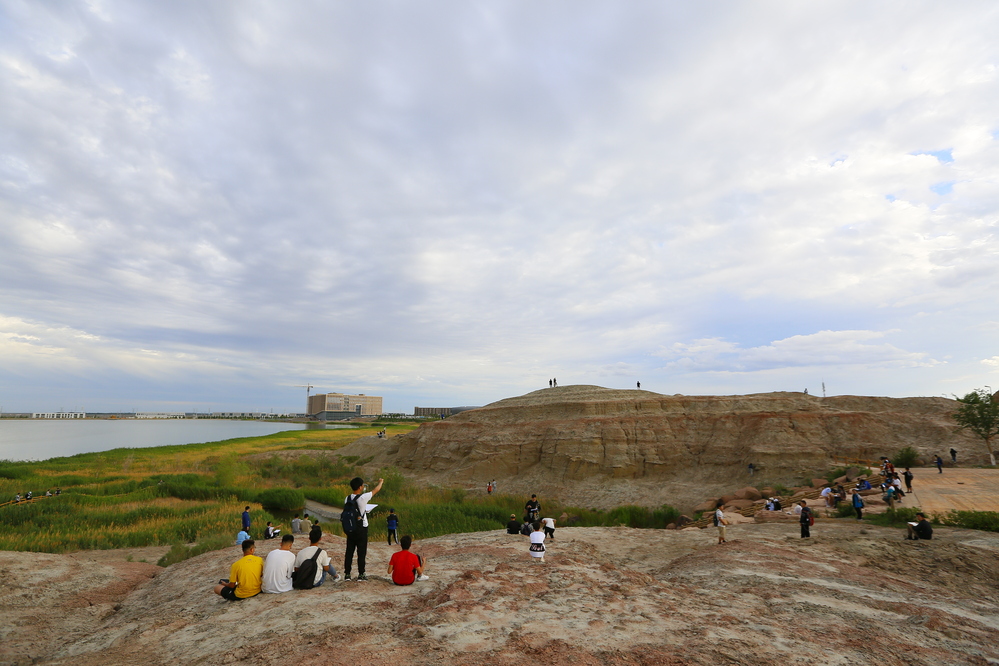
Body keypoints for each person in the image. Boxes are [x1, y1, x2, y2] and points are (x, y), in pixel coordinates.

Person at [343, 476, 383, 582]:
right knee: (361, 552)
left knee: (349, 551)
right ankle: (361, 574)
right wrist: (381, 482)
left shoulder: (347, 498)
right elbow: (376, 490)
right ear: (360, 487)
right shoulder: (363, 498)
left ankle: (347, 574)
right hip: (361, 528)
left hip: (350, 528)